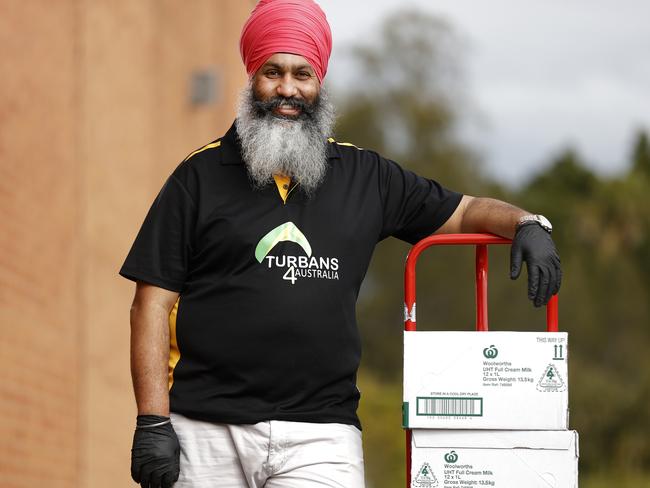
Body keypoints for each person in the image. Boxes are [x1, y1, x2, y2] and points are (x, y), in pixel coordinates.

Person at [120, 0, 562, 487]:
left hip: (321, 437)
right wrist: (152, 422)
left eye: (302, 74)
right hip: (205, 429)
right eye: (273, 72)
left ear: (319, 83)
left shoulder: (366, 176)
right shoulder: (197, 177)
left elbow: (461, 211)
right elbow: (151, 306)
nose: (287, 89)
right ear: (252, 78)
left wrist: (526, 223)